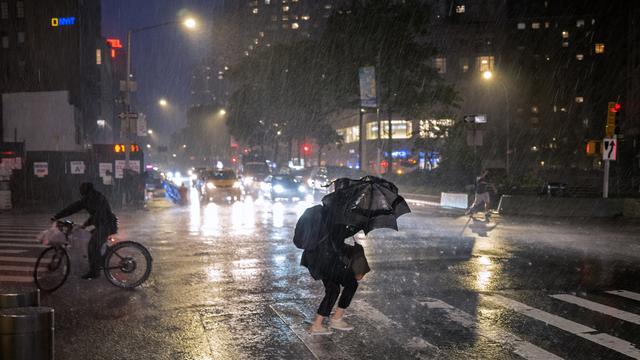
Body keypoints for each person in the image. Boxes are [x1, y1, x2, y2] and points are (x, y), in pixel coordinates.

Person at [306, 223, 370, 336]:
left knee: (334, 288)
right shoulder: (339, 217)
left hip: (320, 258)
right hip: (330, 260)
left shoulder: (328, 214)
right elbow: (338, 237)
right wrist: (355, 226)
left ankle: (320, 323)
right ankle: (331, 320)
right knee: (348, 285)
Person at [52, 182, 118, 279]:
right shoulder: (91, 198)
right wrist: (57, 216)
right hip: (103, 224)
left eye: (82, 190)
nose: (81, 192)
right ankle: (103, 260)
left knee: (92, 245)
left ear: (86, 190)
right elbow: (74, 208)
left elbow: (98, 214)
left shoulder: (94, 198)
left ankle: (94, 272)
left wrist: (86, 224)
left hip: (107, 225)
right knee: (89, 239)